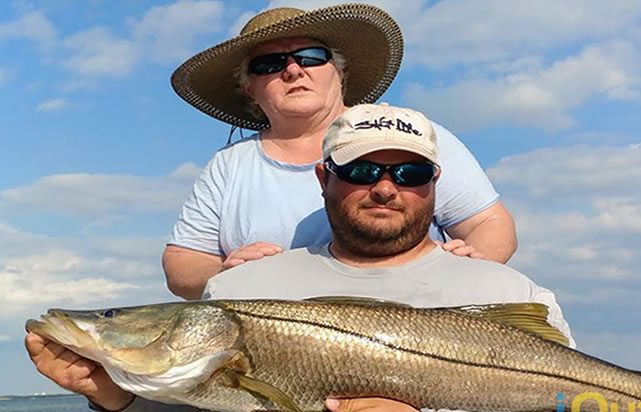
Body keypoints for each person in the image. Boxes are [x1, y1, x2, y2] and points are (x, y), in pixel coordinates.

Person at [26, 104, 599, 412]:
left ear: (434, 181)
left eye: (409, 170)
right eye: (360, 169)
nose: (384, 185)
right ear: (325, 177)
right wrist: (106, 392)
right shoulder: (238, 288)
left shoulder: (512, 292)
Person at [162, 3, 518, 301]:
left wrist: (472, 268)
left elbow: (491, 224)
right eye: (268, 64)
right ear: (249, 89)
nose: (292, 70)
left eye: (311, 57)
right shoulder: (229, 164)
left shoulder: (410, 137)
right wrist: (224, 272)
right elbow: (181, 264)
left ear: (339, 72)